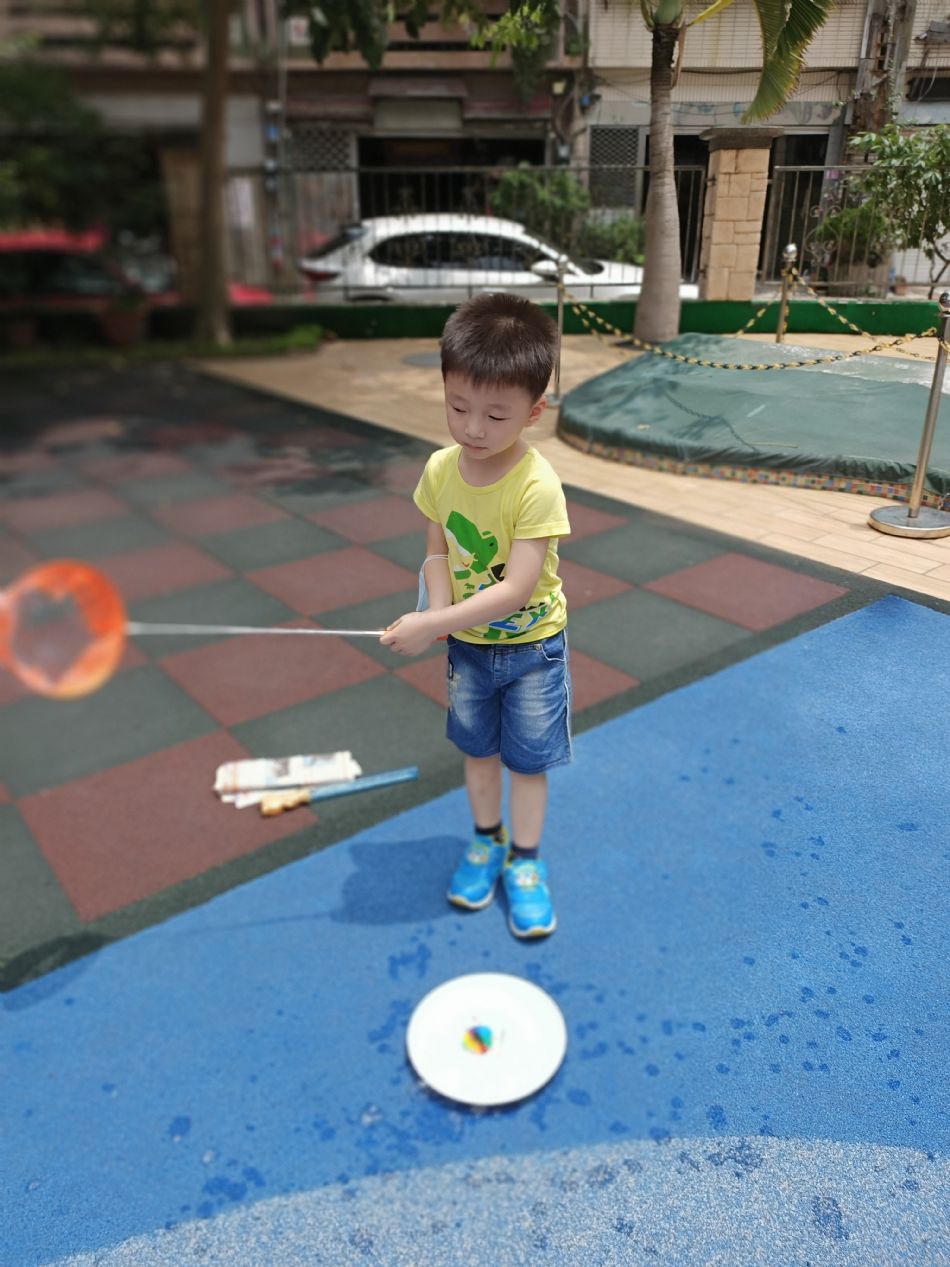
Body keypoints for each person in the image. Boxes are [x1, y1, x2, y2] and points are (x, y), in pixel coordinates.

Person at [380, 291, 572, 938]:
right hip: (466, 647)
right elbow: (437, 552)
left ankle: (527, 862)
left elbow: (517, 588)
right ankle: (488, 840)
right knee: (478, 753)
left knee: (528, 762)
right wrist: (438, 613)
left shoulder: (536, 485)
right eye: (458, 406)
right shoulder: (440, 470)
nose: (473, 428)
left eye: (495, 414)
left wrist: (433, 624)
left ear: (534, 411)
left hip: (533, 649)